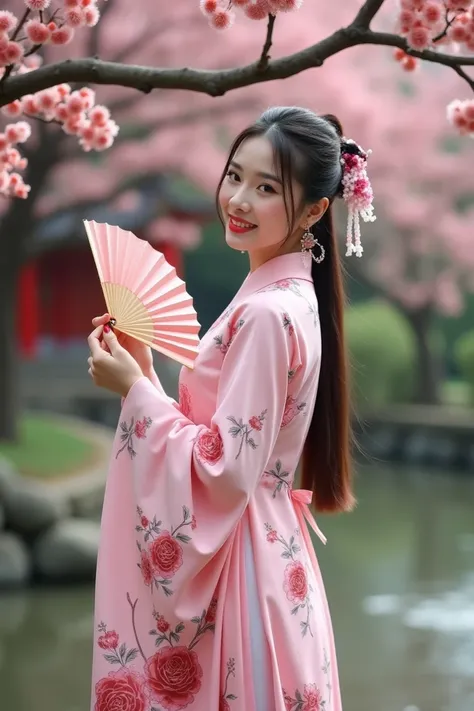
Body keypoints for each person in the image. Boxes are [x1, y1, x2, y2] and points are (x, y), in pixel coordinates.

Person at [87, 106, 376, 711]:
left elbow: (223, 468)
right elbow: (225, 442)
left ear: (317, 211)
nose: (239, 199)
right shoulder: (288, 299)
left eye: (267, 188)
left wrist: (135, 394)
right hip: (271, 548)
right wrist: (140, 368)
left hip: (242, 562)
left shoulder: (268, 313)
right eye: (235, 176)